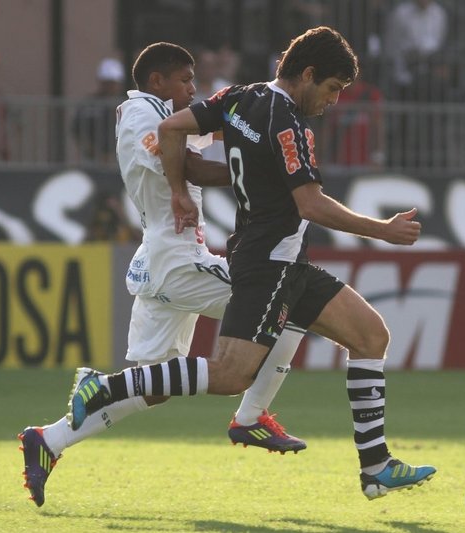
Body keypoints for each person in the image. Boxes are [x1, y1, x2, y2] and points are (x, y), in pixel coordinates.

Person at [62, 27, 435, 501]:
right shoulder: (289, 125)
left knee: (370, 335)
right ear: (308, 74)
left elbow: (172, 129)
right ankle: (108, 387)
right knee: (229, 375)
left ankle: (376, 466)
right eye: (332, 88)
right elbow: (311, 205)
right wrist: (383, 230)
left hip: (286, 262)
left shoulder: (240, 98)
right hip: (269, 264)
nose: (334, 101)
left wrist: (179, 191)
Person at [18, 42, 307, 507]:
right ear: (157, 81)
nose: (193, 89)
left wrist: (258, 119)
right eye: (185, 80)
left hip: (163, 258)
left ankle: (49, 439)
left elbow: (222, 134)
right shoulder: (141, 114)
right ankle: (251, 416)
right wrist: (266, 177)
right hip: (177, 261)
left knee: (152, 386)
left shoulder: (162, 113)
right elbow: (189, 164)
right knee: (290, 304)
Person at [72, 57, 126, 165]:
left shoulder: (126, 104)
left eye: (113, 83)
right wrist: (96, 154)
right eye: (107, 82)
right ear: (100, 82)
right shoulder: (88, 103)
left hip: (120, 159)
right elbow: (77, 130)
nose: (110, 87)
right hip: (92, 160)